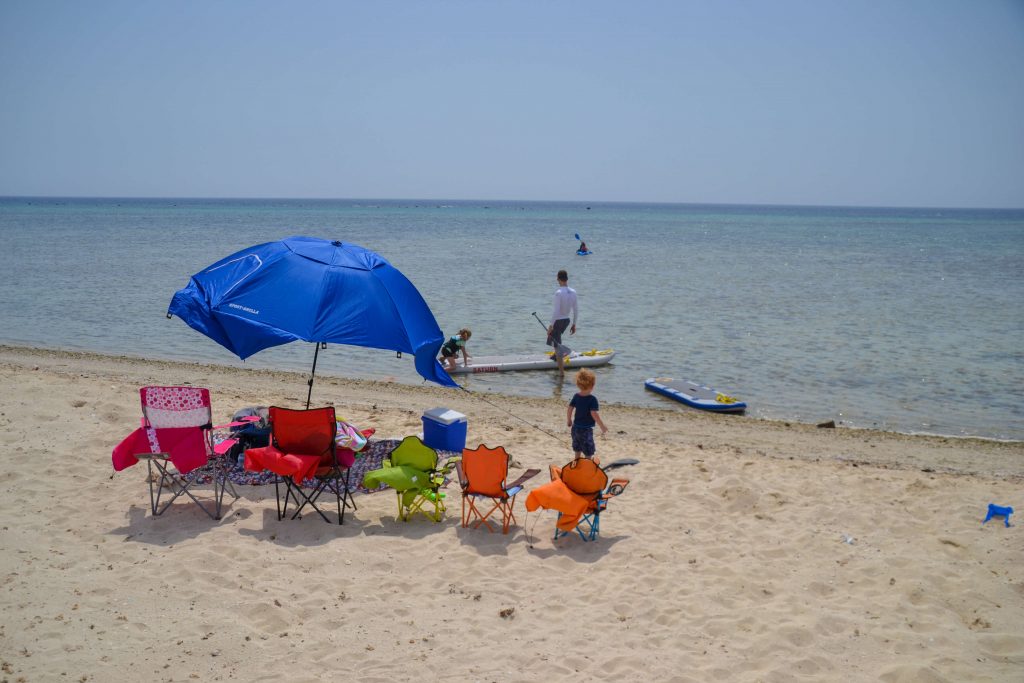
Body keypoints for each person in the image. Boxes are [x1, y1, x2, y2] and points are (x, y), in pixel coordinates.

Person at [566, 368, 607, 464]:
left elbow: (570, 408)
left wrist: (569, 420)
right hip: (586, 429)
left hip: (575, 428)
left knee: (577, 447)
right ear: (592, 385)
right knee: (588, 450)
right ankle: (587, 465)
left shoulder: (576, 396)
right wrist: (602, 426)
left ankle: (576, 462)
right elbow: (594, 414)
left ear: (578, 384)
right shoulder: (592, 399)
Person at [547, 269, 578, 374]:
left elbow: (556, 311)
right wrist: (574, 324)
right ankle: (556, 354)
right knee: (555, 339)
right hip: (567, 320)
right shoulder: (573, 292)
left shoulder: (558, 293)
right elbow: (576, 310)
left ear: (558, 279)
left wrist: (551, 325)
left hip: (558, 321)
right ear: (567, 279)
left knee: (556, 344)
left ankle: (561, 374)